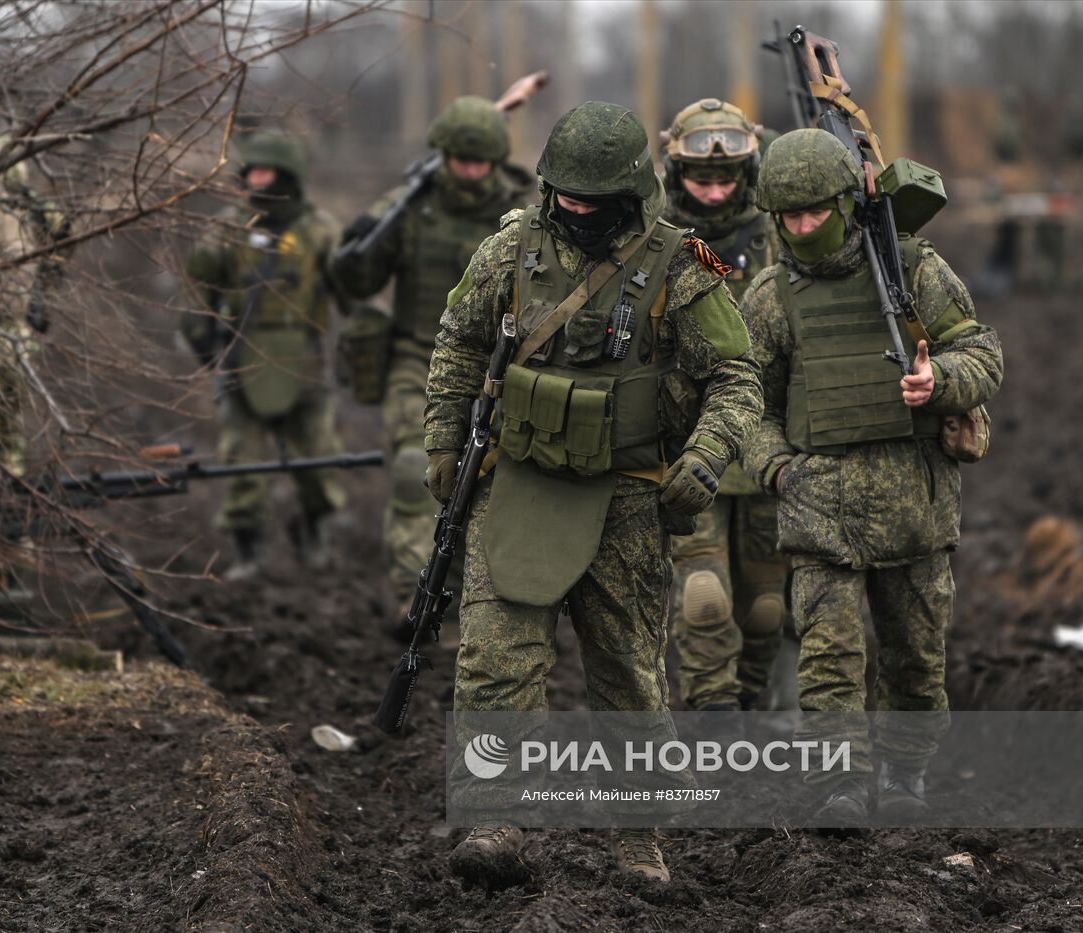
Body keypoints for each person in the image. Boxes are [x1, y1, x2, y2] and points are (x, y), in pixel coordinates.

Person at [425, 101, 761, 884]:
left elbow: (736, 376)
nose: (574, 207)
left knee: (629, 679)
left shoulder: (681, 264)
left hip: (627, 499)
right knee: (493, 661)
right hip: (519, 486)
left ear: (630, 191)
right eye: (564, 192)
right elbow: (458, 341)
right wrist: (444, 444)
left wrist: (708, 456)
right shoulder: (512, 247)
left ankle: (637, 841)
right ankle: (495, 823)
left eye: (591, 196)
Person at [741, 129, 1003, 823]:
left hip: (913, 500)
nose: (802, 228)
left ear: (843, 203)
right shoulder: (770, 298)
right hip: (816, 502)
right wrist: (774, 466)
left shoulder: (913, 270)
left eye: (815, 213)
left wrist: (938, 378)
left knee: (916, 658)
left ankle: (905, 773)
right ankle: (842, 784)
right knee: (828, 659)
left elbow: (982, 352)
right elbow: (744, 401)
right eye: (788, 216)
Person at [330, 97, 533, 627]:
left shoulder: (520, 215)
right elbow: (355, 281)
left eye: (479, 162)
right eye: (459, 161)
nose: (468, 172)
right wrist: (358, 243)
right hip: (416, 358)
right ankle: (414, 594)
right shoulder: (411, 207)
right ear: (443, 157)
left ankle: (478, 596)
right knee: (412, 470)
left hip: (501, 367)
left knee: (490, 482)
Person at [661, 99, 788, 715]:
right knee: (703, 594)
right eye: (699, 178)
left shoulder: (784, 231)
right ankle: (714, 710)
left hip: (769, 437)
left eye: (725, 178)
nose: (712, 191)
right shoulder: (653, 237)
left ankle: (756, 700)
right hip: (689, 440)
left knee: (766, 603)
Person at [182, 132, 348, 580]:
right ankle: (248, 549)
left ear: (287, 175)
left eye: (265, 171)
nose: (254, 179)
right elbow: (197, 286)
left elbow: (351, 288)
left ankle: (314, 527)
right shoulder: (227, 229)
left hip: (305, 359)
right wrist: (203, 340)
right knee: (242, 460)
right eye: (250, 171)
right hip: (243, 356)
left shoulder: (319, 231)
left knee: (320, 458)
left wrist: (357, 343)